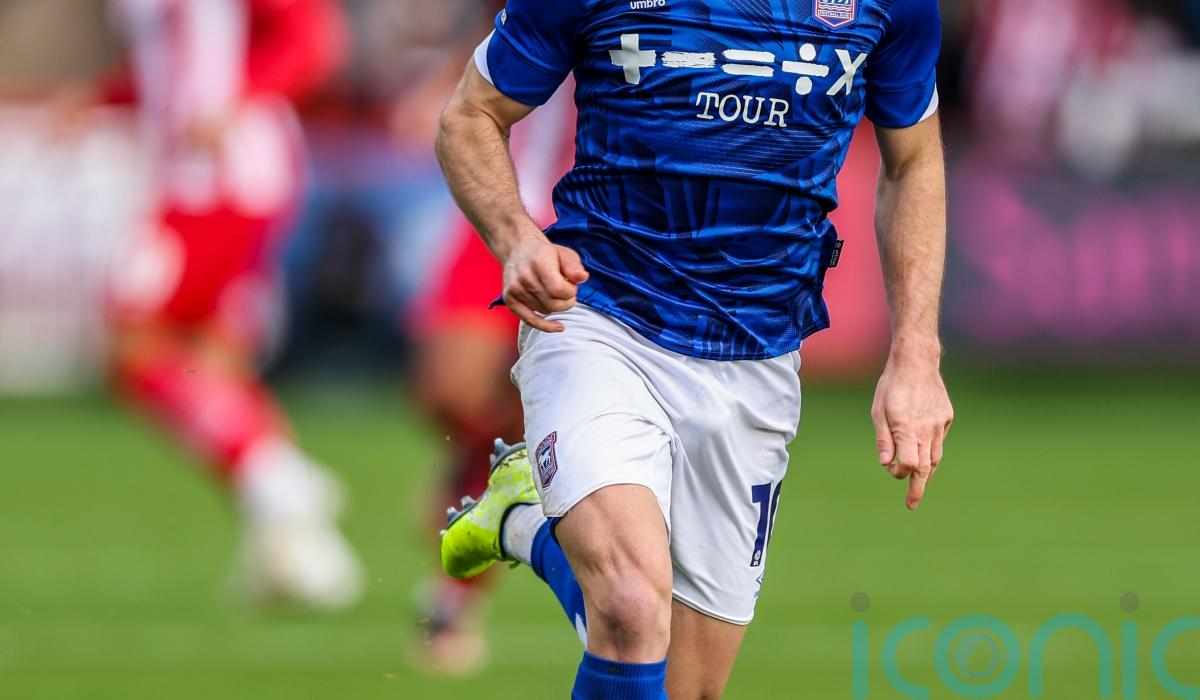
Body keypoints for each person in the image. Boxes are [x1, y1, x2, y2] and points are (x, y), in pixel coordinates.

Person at [436, 0, 955, 696]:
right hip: (601, 319)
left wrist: (916, 354)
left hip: (758, 353)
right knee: (628, 608)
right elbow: (470, 115)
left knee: (684, 686)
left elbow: (912, 161)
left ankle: (525, 522)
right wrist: (516, 239)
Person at [103, 0, 362, 609]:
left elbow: (312, 37)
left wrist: (237, 101)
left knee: (135, 345)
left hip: (220, 176)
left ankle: (279, 481)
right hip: (204, 173)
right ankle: (300, 552)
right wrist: (103, 100)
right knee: (215, 368)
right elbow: (167, 61)